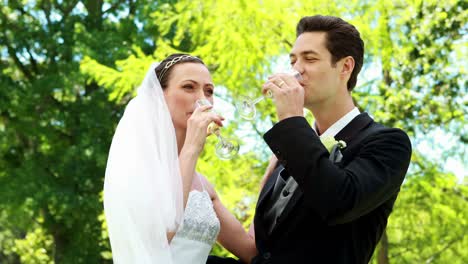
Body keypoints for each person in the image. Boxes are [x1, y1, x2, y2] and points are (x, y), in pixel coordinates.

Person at [208, 15, 412, 264]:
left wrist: (292, 121)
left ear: (345, 67)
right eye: (293, 60)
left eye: (310, 59)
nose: (296, 70)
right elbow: (258, 251)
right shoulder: (285, 152)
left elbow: (340, 202)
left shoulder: (388, 143)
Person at [103, 53, 257, 264]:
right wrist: (193, 146)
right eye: (188, 87)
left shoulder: (203, 185)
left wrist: (276, 170)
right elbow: (158, 237)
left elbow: (251, 251)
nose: (202, 99)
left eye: (209, 91)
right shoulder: (135, 171)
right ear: (158, 96)